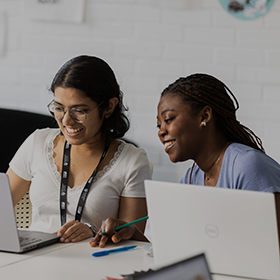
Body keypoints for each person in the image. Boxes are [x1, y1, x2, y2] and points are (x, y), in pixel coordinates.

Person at [92, 73, 280, 247]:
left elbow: (272, 250)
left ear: (204, 116)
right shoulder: (192, 177)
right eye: (159, 124)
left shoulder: (247, 166)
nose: (161, 131)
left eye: (168, 119)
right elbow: (177, 245)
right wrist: (131, 232)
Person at [7, 55, 151, 244]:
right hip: (33, 260)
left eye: (79, 110)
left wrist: (92, 231)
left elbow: (132, 241)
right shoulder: (37, 142)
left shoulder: (132, 161)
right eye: (59, 108)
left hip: (92, 265)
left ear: (109, 106)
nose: (66, 120)